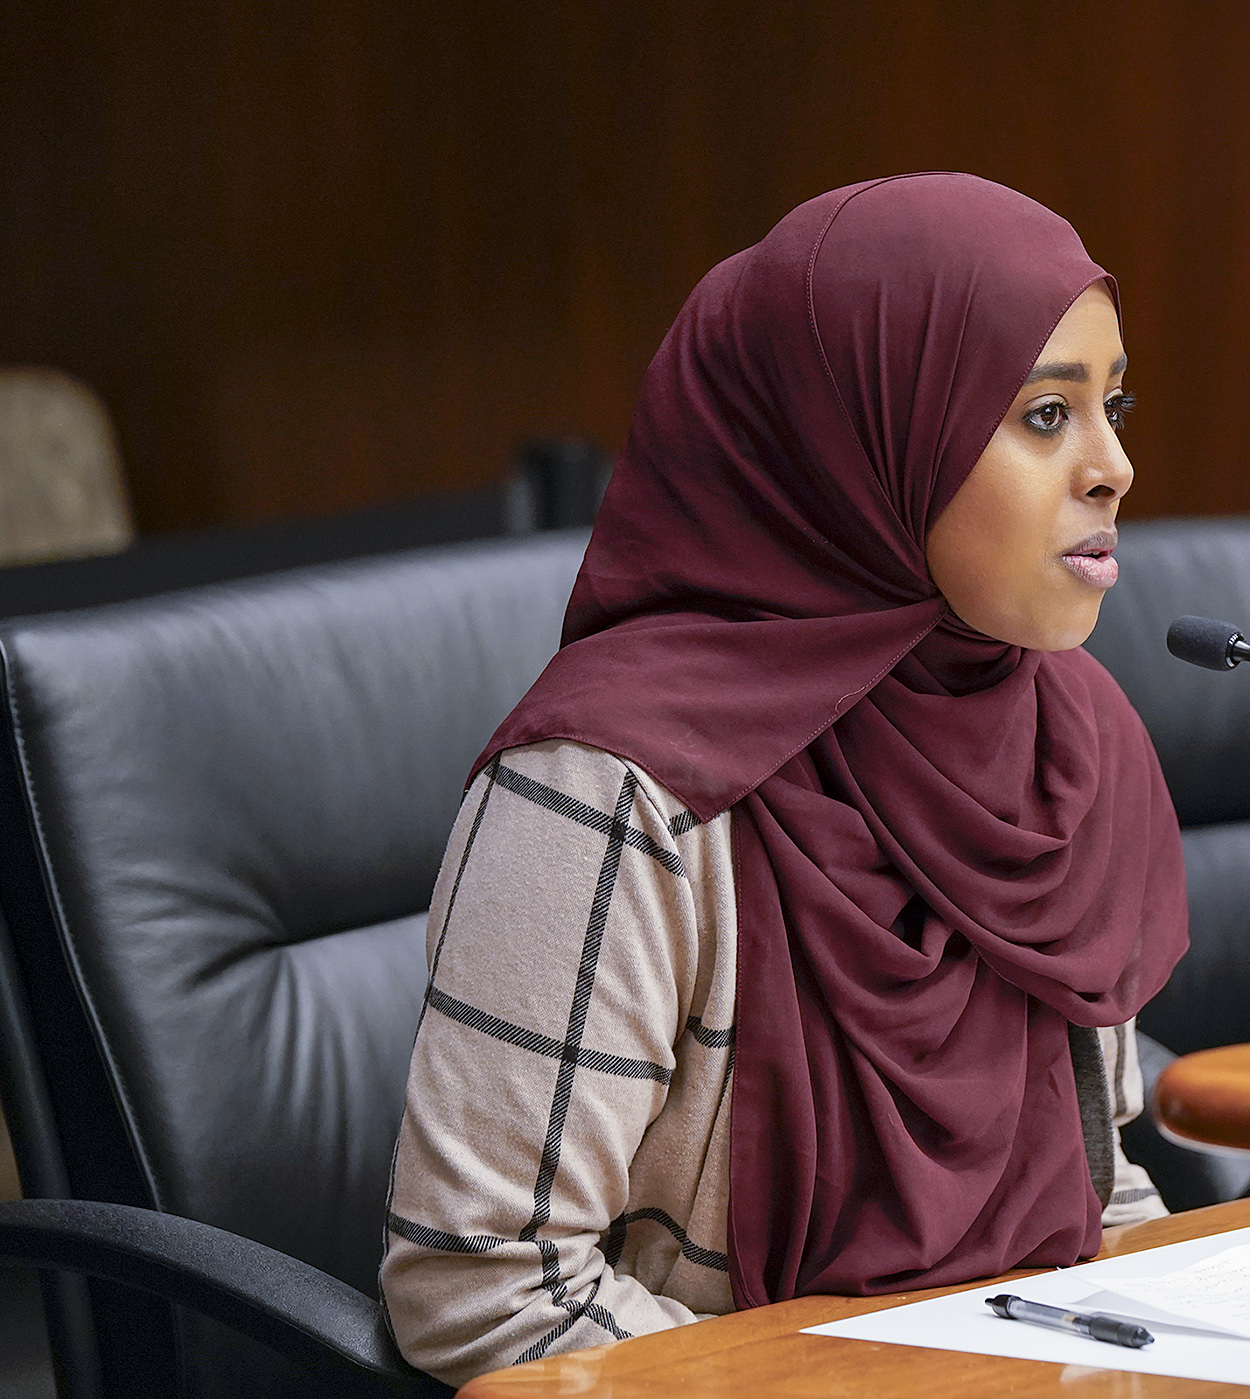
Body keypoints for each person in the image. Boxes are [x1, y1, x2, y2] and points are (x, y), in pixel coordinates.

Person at [379, 174, 1187, 1385]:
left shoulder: (1065, 736)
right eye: (1043, 415)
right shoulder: (615, 787)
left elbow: (1100, 1196)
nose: (1114, 465)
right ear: (859, 438)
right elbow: (486, 1285)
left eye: (1112, 405)